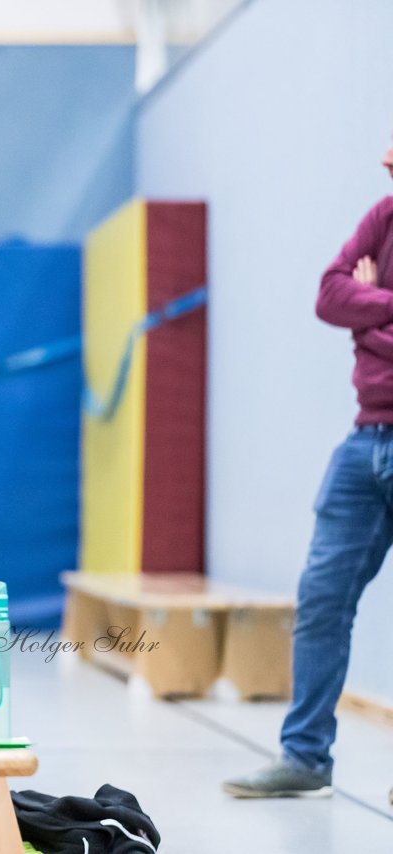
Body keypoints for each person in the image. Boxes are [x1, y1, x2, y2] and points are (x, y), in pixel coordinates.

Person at [223, 140, 393, 798]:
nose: (384, 163)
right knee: (322, 601)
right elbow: (328, 296)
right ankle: (305, 757)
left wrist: (368, 313)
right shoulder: (383, 217)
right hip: (364, 441)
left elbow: (351, 310)